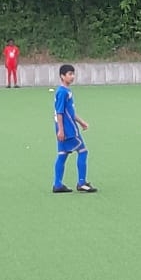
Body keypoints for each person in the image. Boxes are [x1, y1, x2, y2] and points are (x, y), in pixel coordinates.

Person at [54, 64, 97, 193]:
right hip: (69, 130)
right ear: (62, 76)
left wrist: (81, 122)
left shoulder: (65, 91)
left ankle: (57, 184)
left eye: (73, 74)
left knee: (62, 155)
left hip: (65, 129)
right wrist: (61, 130)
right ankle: (81, 183)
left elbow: (70, 112)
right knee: (83, 152)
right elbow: (59, 112)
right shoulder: (63, 92)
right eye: (69, 74)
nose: (72, 77)